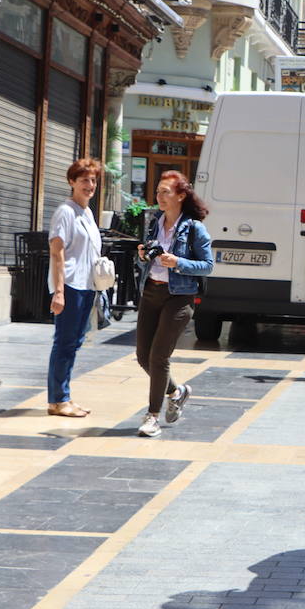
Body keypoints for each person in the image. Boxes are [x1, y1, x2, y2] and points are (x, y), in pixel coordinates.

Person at [134, 171, 214, 438]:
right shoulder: (155, 222)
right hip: (151, 293)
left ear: (181, 196)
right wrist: (143, 255)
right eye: (158, 191)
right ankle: (176, 392)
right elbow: (145, 261)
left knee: (159, 357)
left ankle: (152, 416)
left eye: (165, 192)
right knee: (143, 356)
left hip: (179, 297)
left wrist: (178, 262)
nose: (159, 197)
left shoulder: (194, 228)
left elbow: (207, 266)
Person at [46, 159, 103, 418]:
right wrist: (58, 292)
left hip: (86, 285)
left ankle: (64, 396)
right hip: (69, 285)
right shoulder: (65, 212)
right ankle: (58, 400)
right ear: (72, 182)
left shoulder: (88, 213)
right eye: (84, 180)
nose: (89, 185)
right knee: (65, 343)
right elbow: (57, 252)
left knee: (75, 342)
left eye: (92, 180)